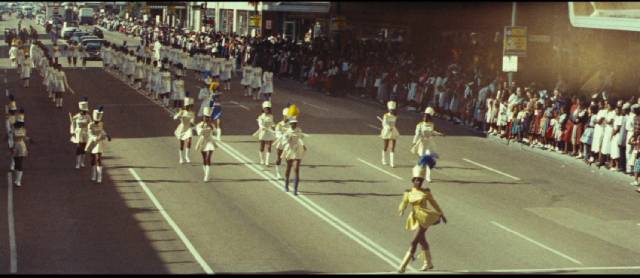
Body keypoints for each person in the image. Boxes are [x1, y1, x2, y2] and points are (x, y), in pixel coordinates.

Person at [397, 158, 446, 273]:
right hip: (415, 217)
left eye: (420, 180)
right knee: (422, 240)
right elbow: (404, 202)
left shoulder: (426, 192)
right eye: (417, 180)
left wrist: (441, 214)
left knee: (414, 241)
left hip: (425, 217)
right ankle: (428, 263)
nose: (418, 182)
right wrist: (401, 209)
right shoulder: (408, 192)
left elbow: (434, 203)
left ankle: (403, 266)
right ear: (413, 180)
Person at [280, 105, 307, 195]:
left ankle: (295, 189)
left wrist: (303, 145)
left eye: (295, 123)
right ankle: (286, 185)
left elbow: (301, 138)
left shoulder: (299, 130)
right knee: (288, 168)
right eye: (292, 123)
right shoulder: (287, 131)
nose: (294, 124)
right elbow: (284, 142)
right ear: (290, 123)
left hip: (297, 151)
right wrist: (288, 139)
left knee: (296, 169)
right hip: (289, 150)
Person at [85, 106, 111, 183]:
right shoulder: (90, 125)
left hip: (99, 142)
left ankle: (100, 176)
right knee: (93, 160)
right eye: (96, 121)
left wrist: (107, 135)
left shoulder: (101, 123)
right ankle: (93, 175)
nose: (97, 123)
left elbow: (102, 131)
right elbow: (89, 133)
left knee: (98, 159)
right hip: (92, 142)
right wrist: (94, 138)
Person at [194, 102, 218, 182]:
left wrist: (211, 126)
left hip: (210, 141)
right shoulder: (199, 125)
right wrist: (203, 127)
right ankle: (206, 173)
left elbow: (215, 133)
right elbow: (199, 133)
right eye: (205, 117)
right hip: (202, 141)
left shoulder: (212, 125)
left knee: (208, 158)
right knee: (204, 159)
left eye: (208, 117)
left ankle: (207, 176)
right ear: (203, 118)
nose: (207, 119)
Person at [10, 109, 31, 187]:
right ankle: (17, 180)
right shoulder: (18, 129)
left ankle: (18, 181)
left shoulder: (19, 130)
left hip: (19, 146)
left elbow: (23, 137)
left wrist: (29, 139)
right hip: (18, 146)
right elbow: (24, 138)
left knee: (19, 164)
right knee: (18, 163)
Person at [70, 98, 91, 169]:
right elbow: (72, 125)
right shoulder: (76, 116)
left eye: (86, 111)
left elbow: (90, 125)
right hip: (78, 133)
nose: (85, 112)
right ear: (81, 110)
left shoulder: (88, 117)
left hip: (86, 133)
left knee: (84, 148)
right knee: (79, 148)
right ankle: (77, 163)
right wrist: (73, 132)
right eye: (84, 111)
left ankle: (82, 162)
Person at [253, 101, 276, 165]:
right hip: (263, 132)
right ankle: (262, 160)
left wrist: (274, 126)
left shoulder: (271, 116)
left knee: (269, 147)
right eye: (265, 109)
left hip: (269, 132)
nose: (267, 110)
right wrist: (263, 127)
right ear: (263, 109)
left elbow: (272, 123)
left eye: (268, 109)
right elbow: (260, 125)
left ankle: (267, 161)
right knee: (262, 147)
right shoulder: (261, 117)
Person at [173, 94, 195, 164]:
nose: (189, 107)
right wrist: (179, 115)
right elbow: (175, 117)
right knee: (181, 144)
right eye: (188, 106)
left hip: (188, 128)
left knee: (189, 141)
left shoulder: (192, 113)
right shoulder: (182, 111)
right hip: (182, 128)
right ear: (185, 106)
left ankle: (187, 156)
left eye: (190, 105)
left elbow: (192, 122)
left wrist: (193, 124)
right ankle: (181, 158)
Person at [380, 100, 400, 167]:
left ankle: (392, 162)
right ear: (388, 109)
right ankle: (384, 160)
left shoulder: (395, 116)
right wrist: (387, 127)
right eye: (391, 109)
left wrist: (392, 127)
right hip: (387, 131)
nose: (392, 111)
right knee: (386, 146)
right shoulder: (385, 116)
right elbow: (383, 124)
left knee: (393, 147)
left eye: (393, 109)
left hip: (393, 131)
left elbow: (394, 123)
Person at [273, 107, 290, 179]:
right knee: (279, 159)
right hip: (280, 144)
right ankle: (278, 173)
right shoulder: (279, 125)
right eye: (286, 116)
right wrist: (283, 136)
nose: (288, 117)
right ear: (284, 116)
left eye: (289, 116)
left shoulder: (291, 124)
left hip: (288, 144)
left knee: (288, 160)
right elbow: (277, 134)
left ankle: (287, 175)